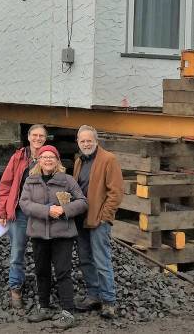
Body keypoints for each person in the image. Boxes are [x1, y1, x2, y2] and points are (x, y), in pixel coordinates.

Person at [19, 145, 87, 329]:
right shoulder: (30, 181)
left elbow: (82, 202)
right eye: (44, 157)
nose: (48, 160)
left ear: (57, 161)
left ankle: (68, 312)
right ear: (39, 160)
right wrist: (47, 211)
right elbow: (24, 204)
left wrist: (64, 210)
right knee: (41, 271)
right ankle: (44, 307)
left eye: (52, 157)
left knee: (63, 271)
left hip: (62, 234)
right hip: (38, 234)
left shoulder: (67, 180)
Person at [72, 125, 123, 319]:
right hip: (81, 219)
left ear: (96, 141)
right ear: (78, 142)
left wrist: (105, 217)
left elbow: (116, 192)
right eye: (82, 141)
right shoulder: (78, 162)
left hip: (98, 220)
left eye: (89, 140)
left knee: (101, 260)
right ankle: (93, 295)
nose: (86, 144)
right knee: (85, 259)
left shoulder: (108, 159)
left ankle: (108, 301)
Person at [0, 124, 48, 308]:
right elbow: (5, 185)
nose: (37, 138)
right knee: (17, 252)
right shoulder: (18, 157)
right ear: (28, 137)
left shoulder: (49, 157)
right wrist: (1, 212)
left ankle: (43, 289)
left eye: (41, 135)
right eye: (34, 135)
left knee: (42, 253)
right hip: (19, 214)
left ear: (46, 138)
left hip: (41, 215)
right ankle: (15, 287)